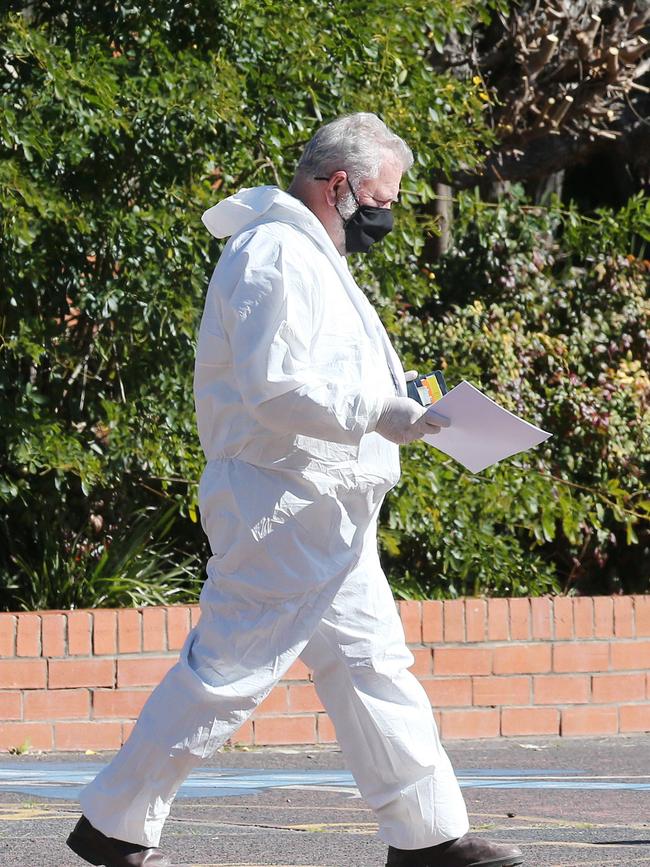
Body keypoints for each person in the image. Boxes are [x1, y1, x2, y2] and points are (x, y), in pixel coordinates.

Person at [66, 113, 524, 867]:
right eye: (381, 197)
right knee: (227, 675)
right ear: (338, 185)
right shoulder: (274, 253)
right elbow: (275, 388)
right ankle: (114, 825)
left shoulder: (310, 257)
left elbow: (324, 380)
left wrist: (403, 398)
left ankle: (428, 835)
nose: (388, 215)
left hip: (325, 508)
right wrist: (383, 410)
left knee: (372, 664)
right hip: (281, 505)